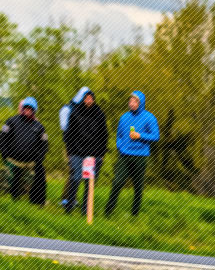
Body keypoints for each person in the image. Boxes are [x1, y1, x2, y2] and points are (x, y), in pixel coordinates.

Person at [104, 90, 160, 218]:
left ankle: (134, 215)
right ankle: (108, 212)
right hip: (124, 155)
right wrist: (120, 147)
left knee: (138, 186)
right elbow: (119, 135)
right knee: (117, 182)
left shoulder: (149, 118)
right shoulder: (124, 117)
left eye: (135, 101)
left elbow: (156, 136)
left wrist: (140, 135)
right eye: (130, 101)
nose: (132, 103)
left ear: (141, 103)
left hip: (140, 156)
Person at [60, 87, 107, 213]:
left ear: (94, 100)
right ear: (83, 99)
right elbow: (69, 133)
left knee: (89, 182)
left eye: (91, 98)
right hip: (76, 152)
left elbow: (104, 135)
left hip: (92, 153)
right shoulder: (75, 113)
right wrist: (69, 151)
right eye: (86, 98)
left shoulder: (99, 114)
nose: (89, 100)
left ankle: (86, 209)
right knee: (75, 178)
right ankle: (69, 206)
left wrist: (101, 153)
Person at [0, 97, 49, 204]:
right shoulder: (12, 121)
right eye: (26, 108)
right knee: (5, 192)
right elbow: (2, 137)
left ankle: (20, 209)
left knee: (23, 195)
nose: (28, 110)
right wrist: (4, 153)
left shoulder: (39, 127)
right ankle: (3, 208)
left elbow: (44, 144)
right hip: (11, 161)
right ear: (22, 108)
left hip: (29, 165)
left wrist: (39, 159)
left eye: (30, 109)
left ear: (34, 110)